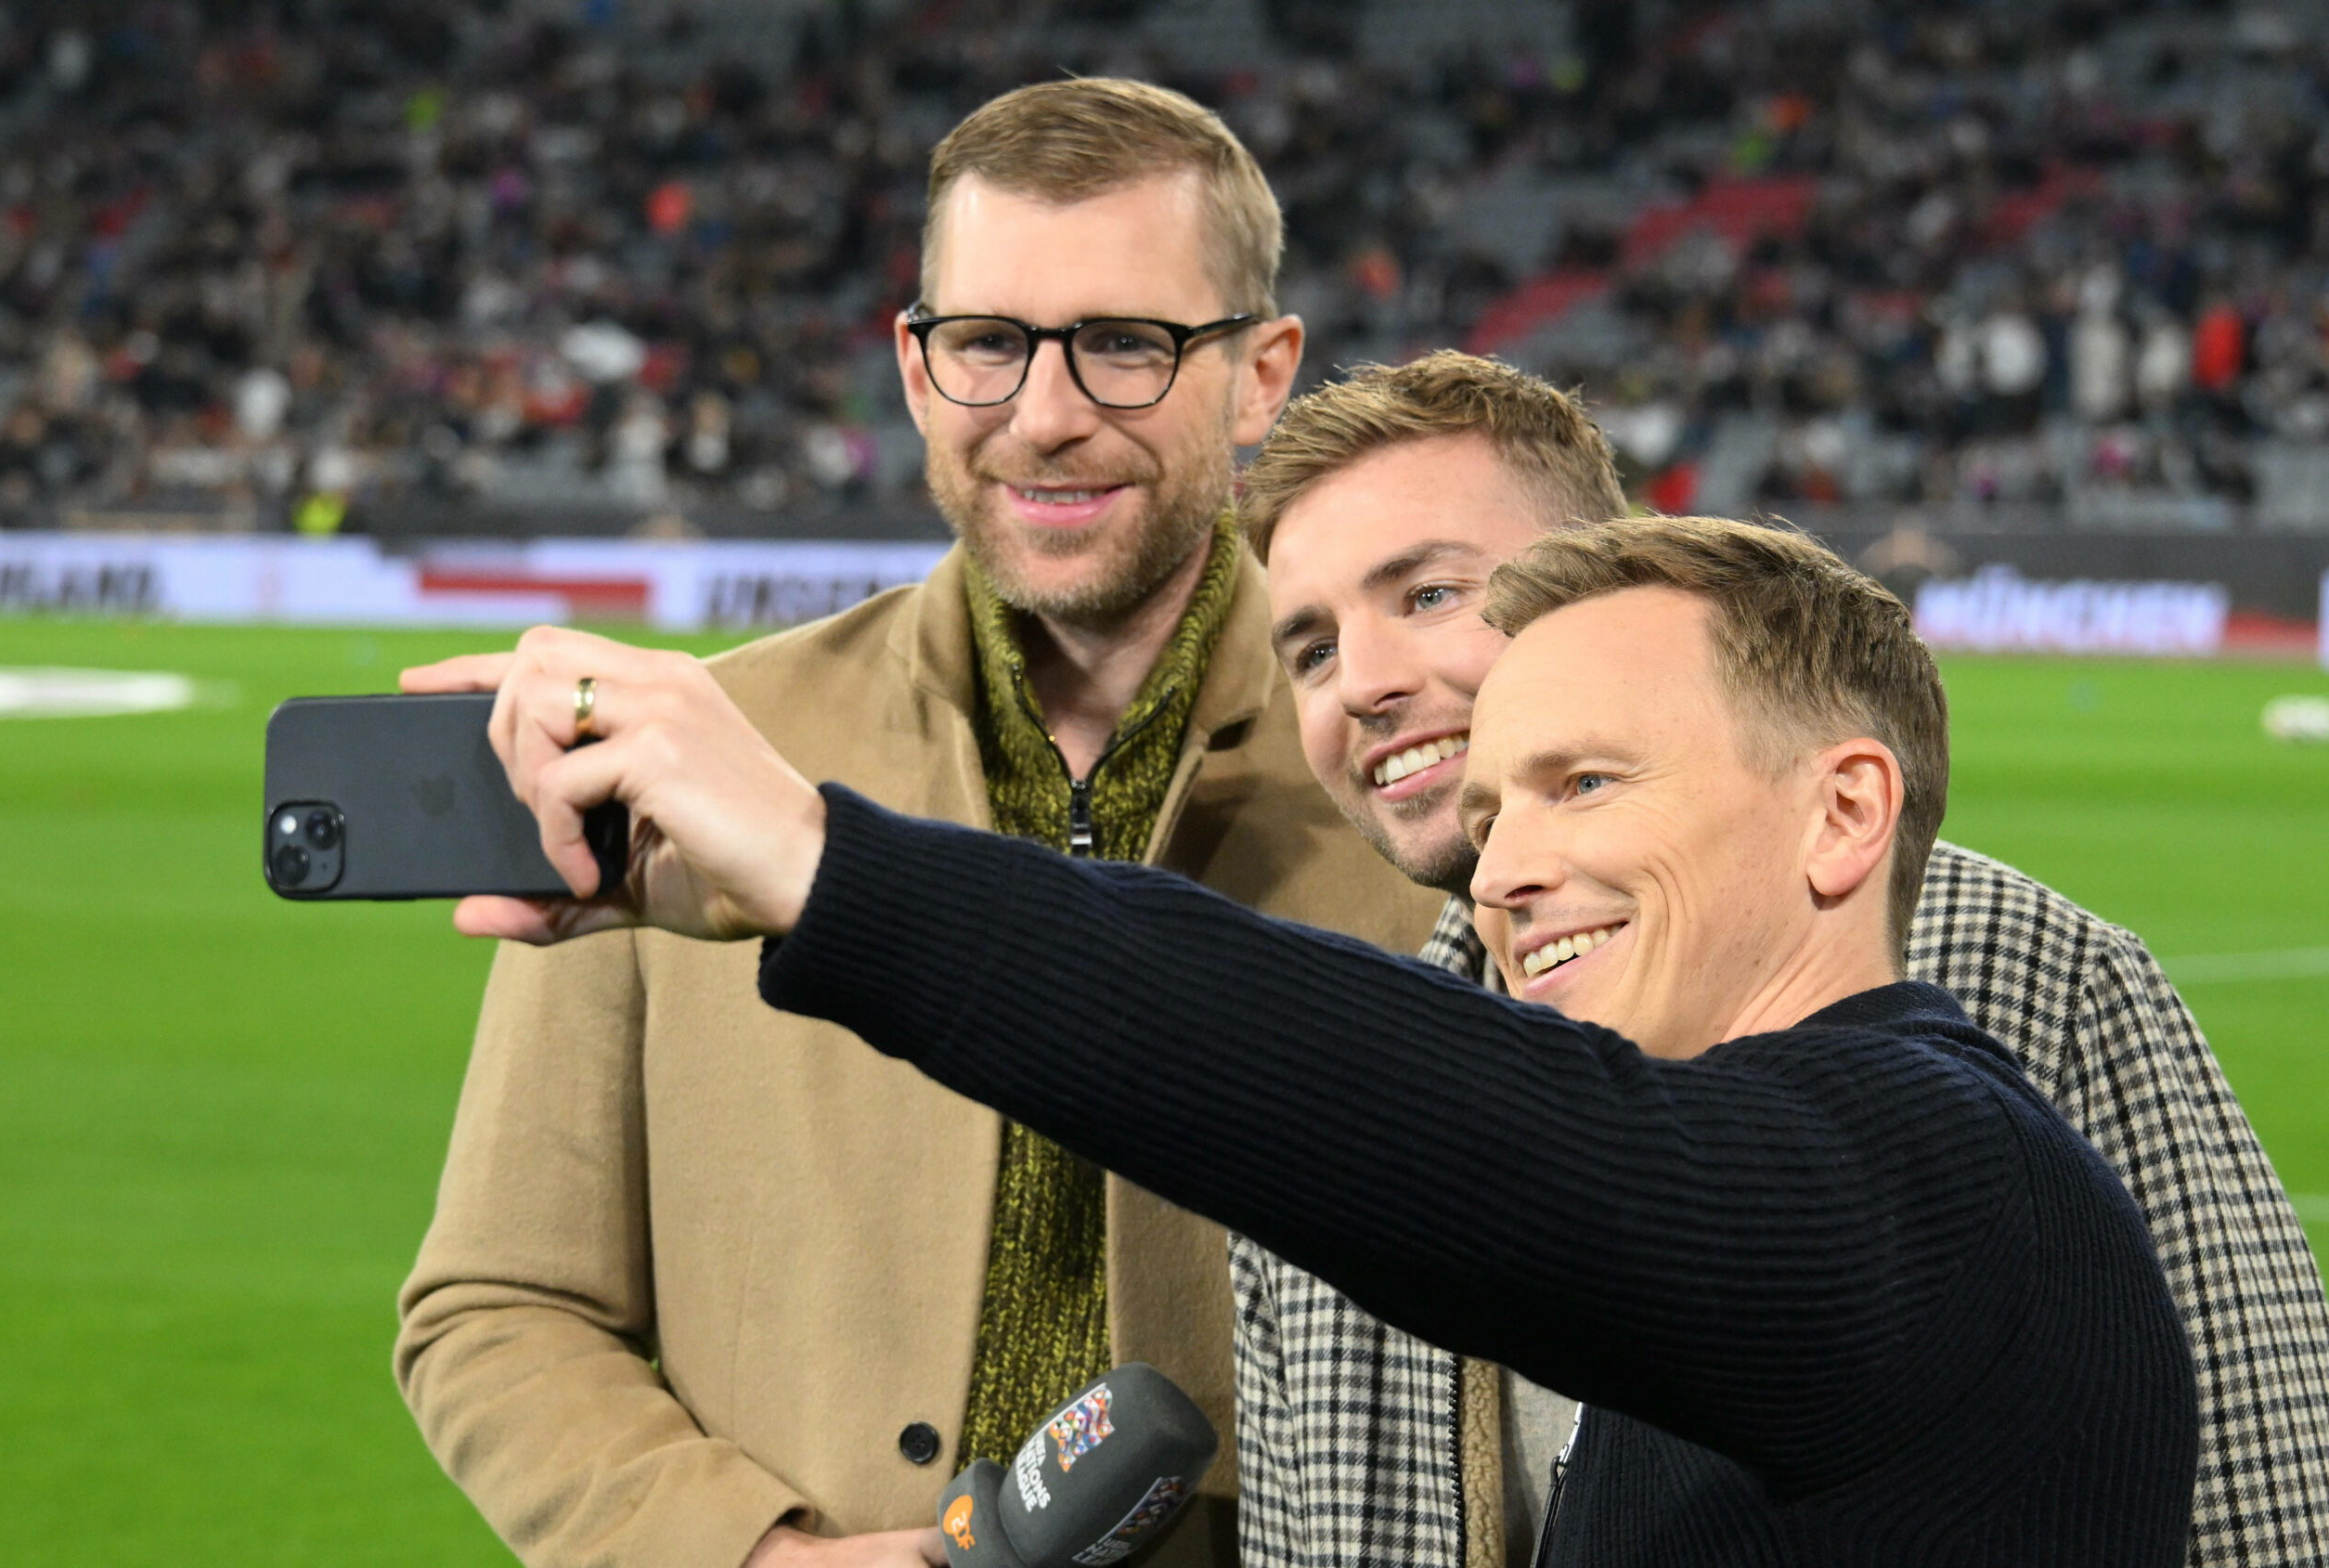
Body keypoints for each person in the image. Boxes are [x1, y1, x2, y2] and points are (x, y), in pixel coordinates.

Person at [404, 513, 2201, 1566]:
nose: (1507, 863)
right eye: (1489, 805)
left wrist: (820, 862)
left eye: (1585, 780)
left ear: (1841, 815)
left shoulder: (1944, 1180)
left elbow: (1423, 1107)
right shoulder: (1768, 1254)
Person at [391, 79, 1440, 1568]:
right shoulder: (679, 757)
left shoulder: (1427, 785)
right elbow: (499, 1303)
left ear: (1265, 373)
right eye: (990, 344)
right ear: (913, 367)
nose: (1048, 415)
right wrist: (755, 1557)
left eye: (1128, 345)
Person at [1235, 351, 2329, 1568]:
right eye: (1313, 650)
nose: (1368, 681)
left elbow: (2268, 1514)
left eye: (1430, 594)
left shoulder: (2027, 970)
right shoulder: (1331, 1107)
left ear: (1618, 591)